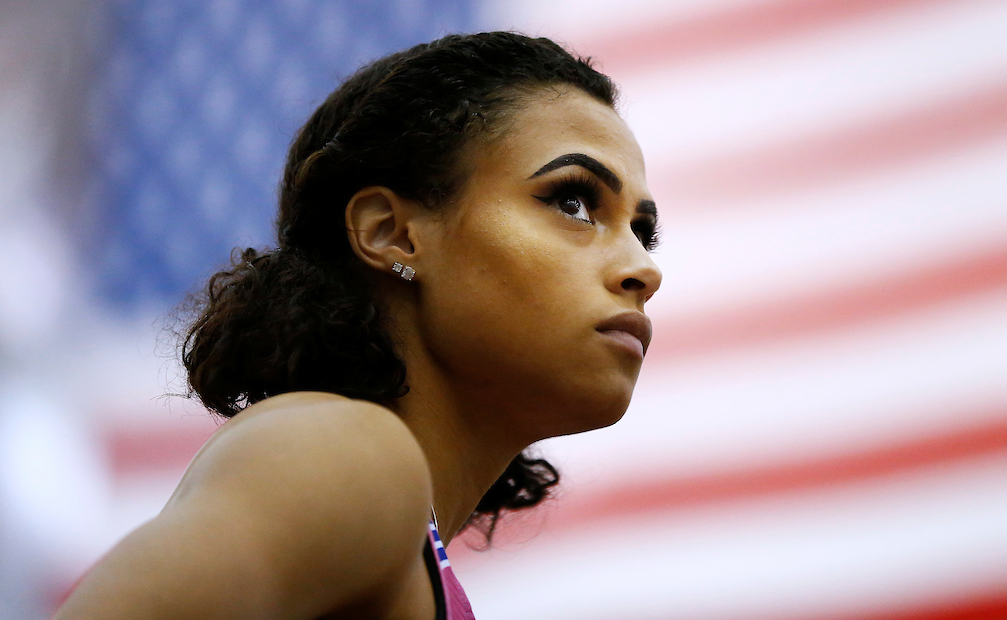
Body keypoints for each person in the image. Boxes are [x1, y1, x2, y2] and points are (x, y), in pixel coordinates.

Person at [55, 31, 662, 620]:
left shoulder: (385, 514)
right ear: (390, 233)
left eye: (643, 231)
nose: (643, 267)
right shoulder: (351, 456)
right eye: (572, 202)